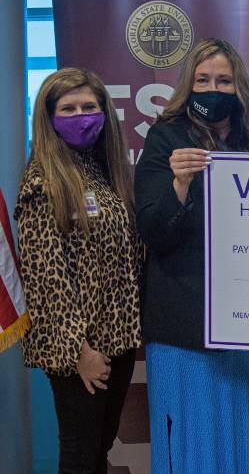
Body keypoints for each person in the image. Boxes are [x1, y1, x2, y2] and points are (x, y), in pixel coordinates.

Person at [134, 38, 249, 474]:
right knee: (195, 445)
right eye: (202, 80)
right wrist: (178, 185)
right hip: (186, 326)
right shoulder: (166, 139)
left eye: (223, 80)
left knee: (248, 439)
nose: (213, 88)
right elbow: (153, 230)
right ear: (188, 85)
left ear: (239, 87)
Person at [15, 68, 141, 474]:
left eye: (90, 106)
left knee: (97, 450)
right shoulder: (42, 184)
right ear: (49, 119)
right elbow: (45, 281)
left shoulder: (102, 171)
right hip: (80, 350)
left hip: (117, 339)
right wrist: (79, 353)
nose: (81, 115)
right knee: (80, 454)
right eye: (68, 108)